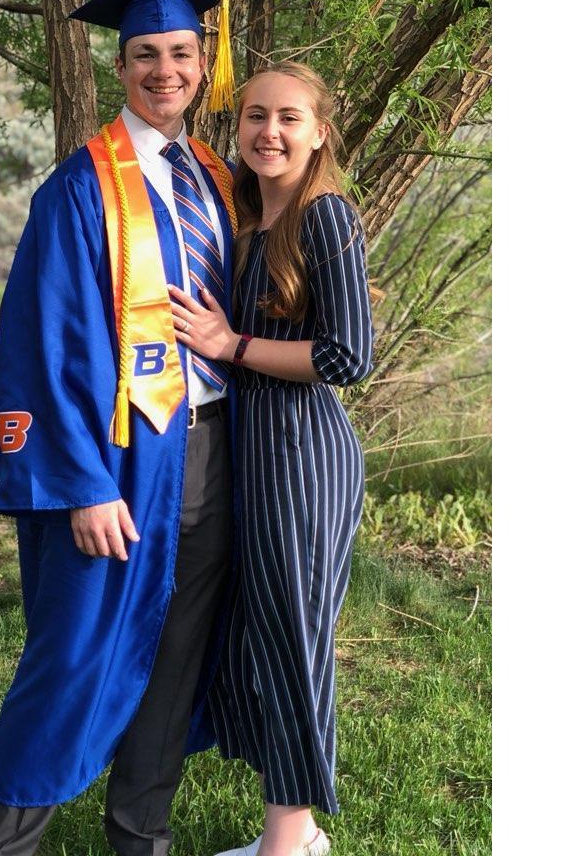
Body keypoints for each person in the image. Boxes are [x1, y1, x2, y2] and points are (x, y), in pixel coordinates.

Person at [0, 0, 242, 856]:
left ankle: (140, 836)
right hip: (120, 455)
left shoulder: (217, 177)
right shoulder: (81, 187)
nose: (166, 71)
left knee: (179, 653)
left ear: (204, 64)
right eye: (145, 55)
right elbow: (40, 346)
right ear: (119, 68)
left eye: (181, 53)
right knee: (74, 651)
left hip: (213, 448)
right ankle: (5, 843)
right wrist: (82, 484)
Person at [168, 63, 375, 856]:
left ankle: (287, 845)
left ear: (320, 131)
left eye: (289, 117)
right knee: (258, 639)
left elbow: (348, 356)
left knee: (291, 642)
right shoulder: (247, 215)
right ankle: (295, 831)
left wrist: (231, 345)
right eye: (256, 115)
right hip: (252, 450)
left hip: (301, 455)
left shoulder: (326, 217)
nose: (270, 132)